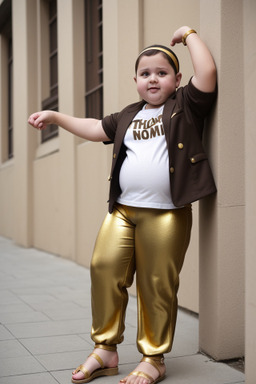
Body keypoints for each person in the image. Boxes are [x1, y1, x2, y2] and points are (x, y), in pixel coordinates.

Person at [28, 26, 217, 384]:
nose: (153, 79)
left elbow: (207, 74)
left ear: (176, 79)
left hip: (167, 213)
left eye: (162, 73)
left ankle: (153, 357)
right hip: (123, 210)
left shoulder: (185, 106)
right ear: (135, 80)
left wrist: (188, 35)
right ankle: (106, 350)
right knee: (103, 267)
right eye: (145, 74)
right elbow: (94, 127)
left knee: (155, 282)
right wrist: (55, 117)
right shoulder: (129, 115)